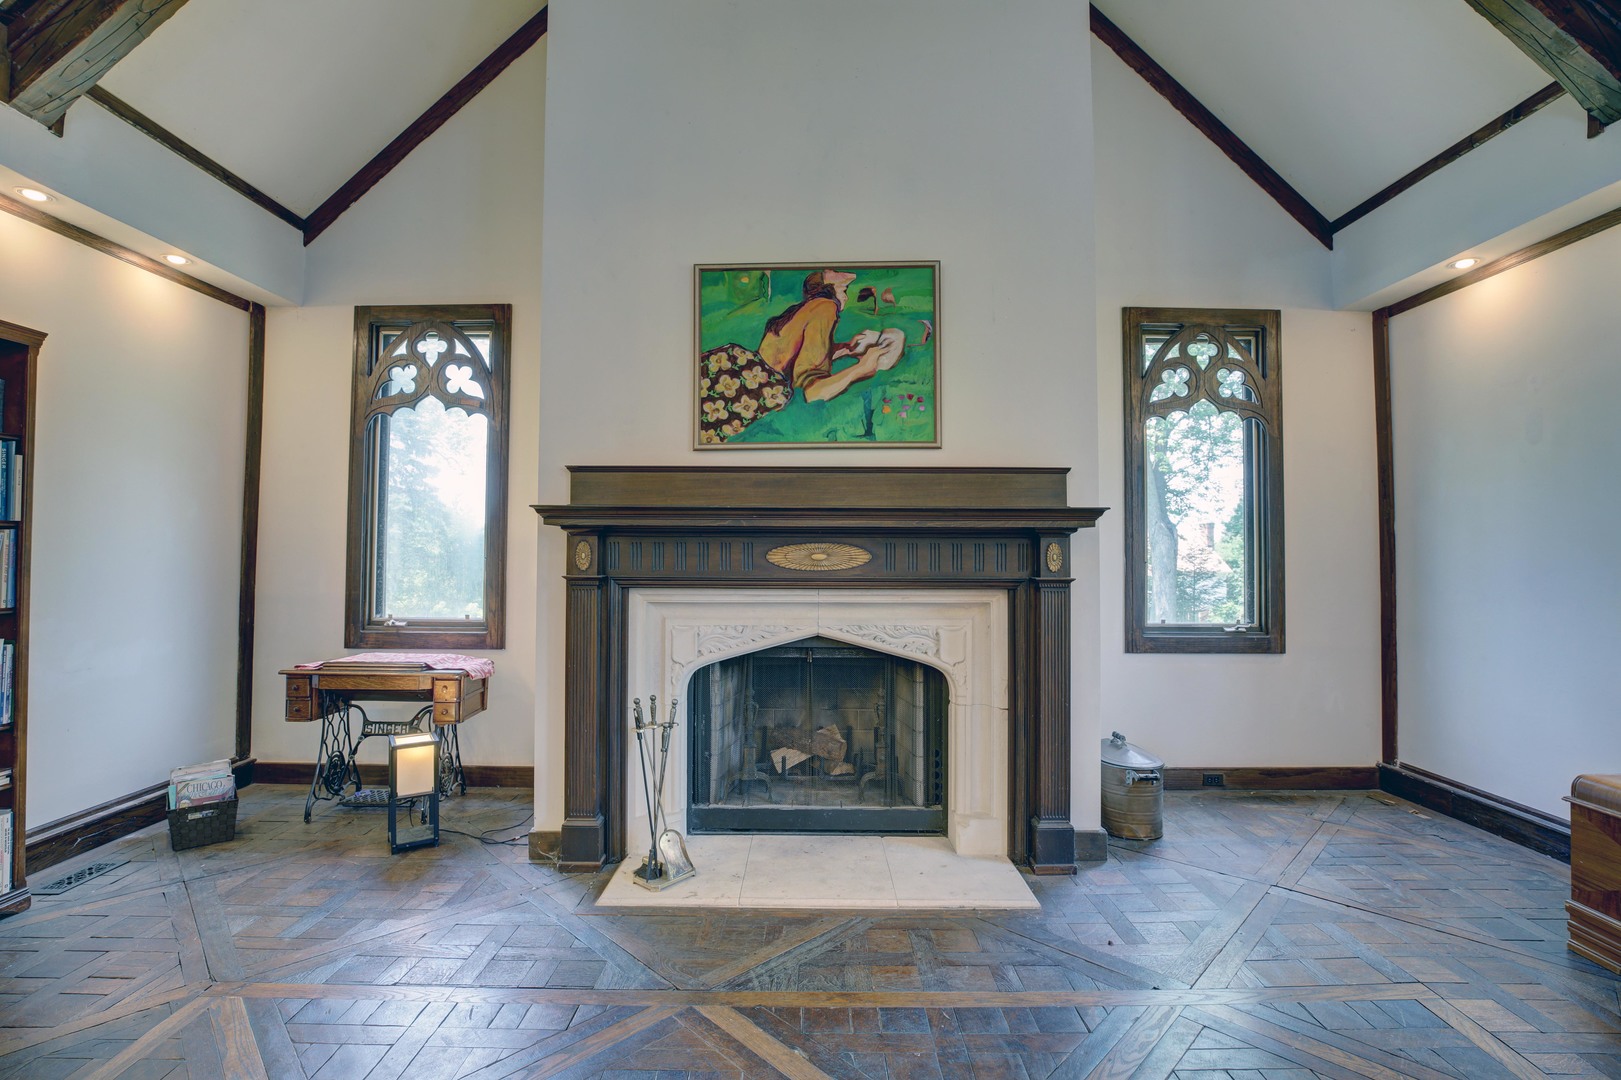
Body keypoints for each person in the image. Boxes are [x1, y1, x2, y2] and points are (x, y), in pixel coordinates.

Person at [697, 269, 907, 443]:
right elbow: (813, 390)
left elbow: (786, 356)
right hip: (749, 390)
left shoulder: (802, 309)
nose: (847, 291)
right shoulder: (827, 307)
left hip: (729, 367)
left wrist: (842, 349)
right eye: (844, 288)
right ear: (833, 289)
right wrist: (861, 369)